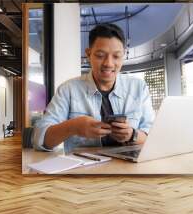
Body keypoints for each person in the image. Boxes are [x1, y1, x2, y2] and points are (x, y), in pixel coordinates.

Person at [33, 23, 155, 152]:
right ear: (88, 54)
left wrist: (132, 135)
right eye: (100, 55)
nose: (108, 63)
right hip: (84, 169)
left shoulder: (138, 87)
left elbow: (153, 136)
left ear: (123, 55)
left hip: (130, 167)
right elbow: (40, 140)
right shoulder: (68, 90)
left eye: (116, 56)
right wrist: (74, 126)